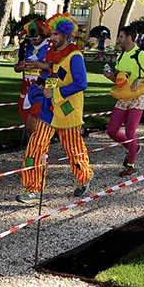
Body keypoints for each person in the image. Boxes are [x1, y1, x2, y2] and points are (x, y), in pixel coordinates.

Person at [16, 13, 92, 204]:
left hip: (67, 110)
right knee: (35, 146)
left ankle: (85, 177)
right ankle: (33, 189)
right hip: (48, 110)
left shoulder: (75, 56)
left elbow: (81, 84)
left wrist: (56, 94)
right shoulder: (53, 54)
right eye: (51, 34)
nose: (52, 38)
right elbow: (52, 74)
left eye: (56, 34)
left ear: (67, 35)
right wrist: (40, 85)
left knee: (73, 149)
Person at [105, 26, 144, 177]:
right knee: (112, 130)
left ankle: (131, 164)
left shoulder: (140, 55)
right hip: (123, 97)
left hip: (137, 97)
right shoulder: (121, 56)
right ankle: (132, 147)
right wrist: (110, 76)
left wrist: (139, 80)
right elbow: (119, 79)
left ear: (129, 38)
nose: (118, 39)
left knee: (129, 130)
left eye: (120, 36)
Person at [14, 19, 51, 132]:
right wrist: (19, 67)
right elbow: (16, 67)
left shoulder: (51, 45)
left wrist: (41, 65)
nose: (33, 42)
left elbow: (59, 68)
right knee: (28, 126)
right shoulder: (24, 45)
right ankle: (32, 148)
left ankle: (38, 148)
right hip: (26, 90)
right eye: (30, 39)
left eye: (35, 39)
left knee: (33, 126)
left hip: (42, 89)